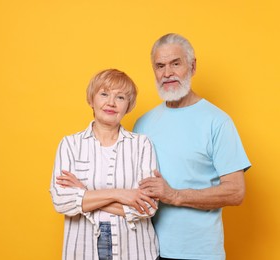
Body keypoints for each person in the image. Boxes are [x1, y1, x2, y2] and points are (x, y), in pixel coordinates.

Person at [133, 33, 251, 260]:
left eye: (175, 64)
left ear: (193, 66)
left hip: (199, 253)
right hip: (146, 249)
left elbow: (236, 192)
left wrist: (174, 195)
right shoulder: (142, 123)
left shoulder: (218, 122)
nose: (167, 73)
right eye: (160, 66)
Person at [50, 69, 160, 260]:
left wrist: (84, 194)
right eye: (104, 94)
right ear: (91, 100)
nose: (111, 102)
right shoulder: (70, 144)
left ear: (129, 106)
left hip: (135, 250)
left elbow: (148, 207)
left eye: (120, 97)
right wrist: (121, 194)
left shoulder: (142, 144)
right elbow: (61, 201)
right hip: (83, 250)